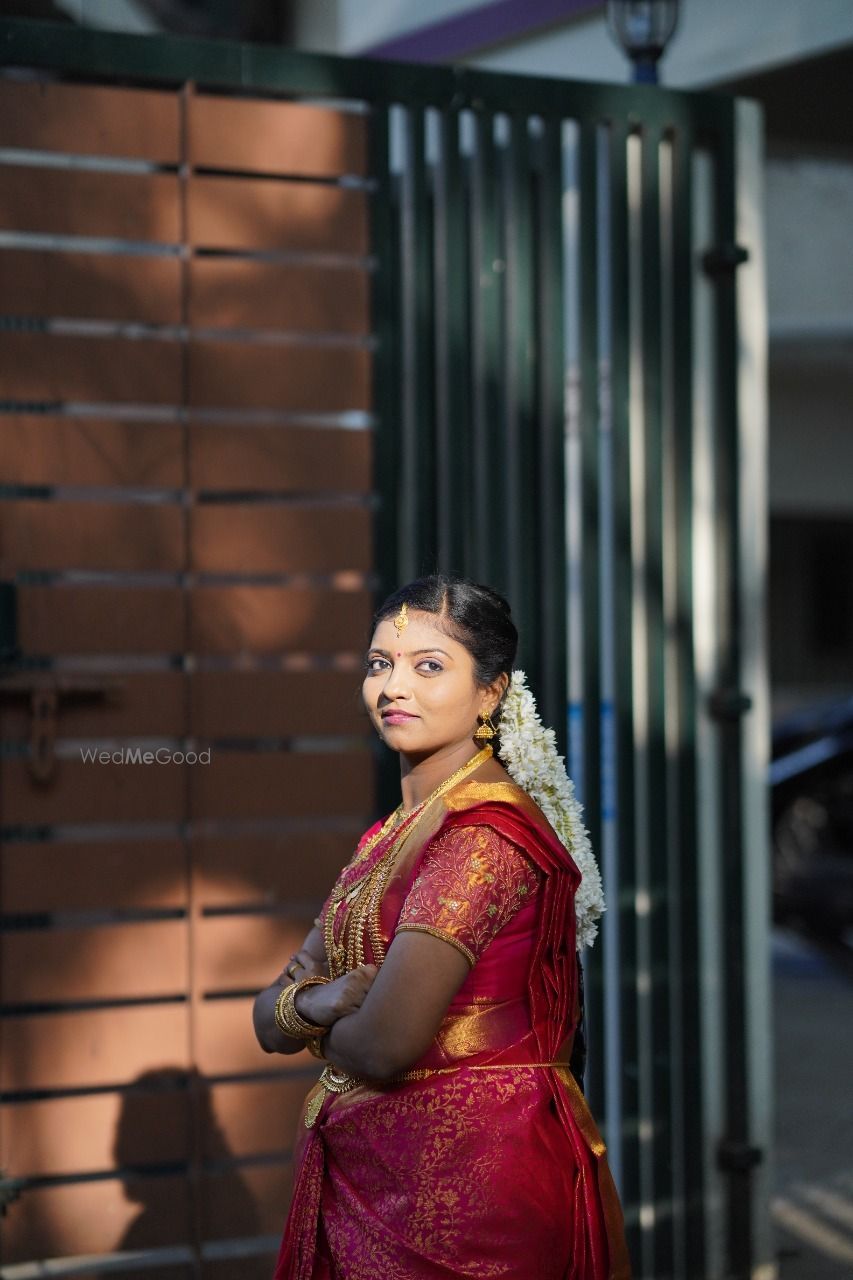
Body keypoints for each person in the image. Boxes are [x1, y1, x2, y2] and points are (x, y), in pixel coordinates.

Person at [253, 575, 630, 1279]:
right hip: (380, 1175)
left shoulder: (481, 837)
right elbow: (267, 1019)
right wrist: (321, 1003)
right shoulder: (389, 835)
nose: (394, 686)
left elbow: (385, 1046)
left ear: (491, 692)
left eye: (429, 666)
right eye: (378, 664)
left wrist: (309, 1017)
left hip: (468, 1196)